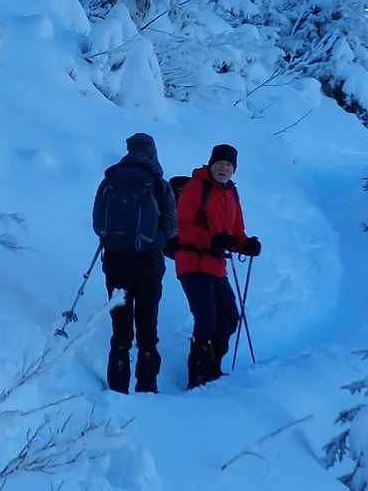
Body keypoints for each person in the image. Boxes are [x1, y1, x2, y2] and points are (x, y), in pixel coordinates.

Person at [91, 133, 179, 394]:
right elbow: (171, 227)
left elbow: (98, 223)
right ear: (153, 152)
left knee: (120, 327)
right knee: (147, 324)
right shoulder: (159, 183)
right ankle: (146, 385)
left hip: (115, 261)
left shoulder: (110, 180)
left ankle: (118, 387)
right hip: (149, 261)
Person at [174, 143, 262, 389]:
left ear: (234, 169)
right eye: (219, 163)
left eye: (228, 165)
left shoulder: (231, 193)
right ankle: (198, 376)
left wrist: (246, 245)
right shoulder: (195, 187)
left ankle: (211, 368)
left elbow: (236, 231)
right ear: (211, 165)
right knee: (206, 318)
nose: (223, 168)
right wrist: (211, 240)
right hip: (192, 262)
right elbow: (182, 226)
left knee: (230, 318)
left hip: (216, 265)